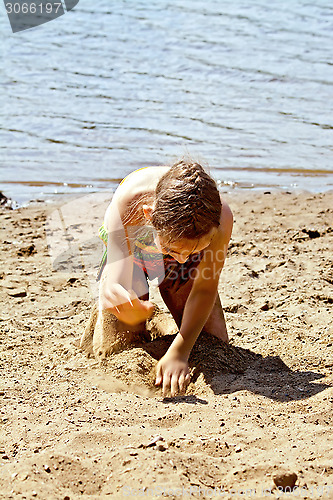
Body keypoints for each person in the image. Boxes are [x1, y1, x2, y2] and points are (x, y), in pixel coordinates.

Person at [97, 159, 233, 397]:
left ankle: (171, 323)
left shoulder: (221, 217)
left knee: (214, 343)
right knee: (118, 345)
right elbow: (115, 278)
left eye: (194, 250)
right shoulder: (130, 201)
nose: (181, 259)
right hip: (135, 253)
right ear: (149, 215)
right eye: (173, 250)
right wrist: (118, 297)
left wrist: (180, 352)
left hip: (177, 258)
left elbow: (204, 289)